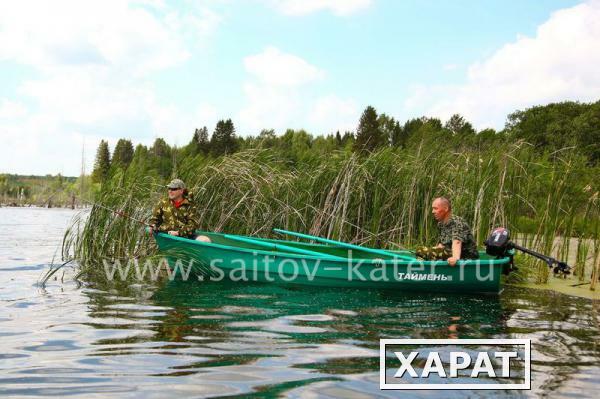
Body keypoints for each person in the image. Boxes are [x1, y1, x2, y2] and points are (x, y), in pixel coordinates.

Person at [415, 197, 479, 266]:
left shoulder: (456, 222)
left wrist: (455, 258)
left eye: (435, 208)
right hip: (449, 253)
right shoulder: (441, 224)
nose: (433, 212)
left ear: (446, 209)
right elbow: (442, 245)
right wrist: (434, 249)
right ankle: (423, 272)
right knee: (421, 253)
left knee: (421, 251)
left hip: (466, 258)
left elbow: (457, 242)